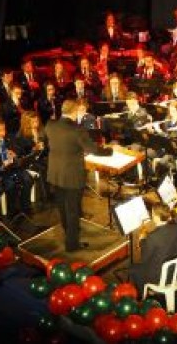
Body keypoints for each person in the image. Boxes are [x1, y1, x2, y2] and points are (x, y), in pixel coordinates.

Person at [45, 99, 113, 252]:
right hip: (72, 176)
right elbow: (92, 149)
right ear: (74, 112)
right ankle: (72, 244)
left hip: (55, 173)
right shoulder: (77, 130)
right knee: (72, 210)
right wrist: (109, 151)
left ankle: (68, 232)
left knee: (62, 207)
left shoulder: (50, 125)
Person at [0, 119, 35, 218]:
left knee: (28, 179)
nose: (3, 133)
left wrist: (15, 154)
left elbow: (20, 151)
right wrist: (1, 167)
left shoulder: (9, 138)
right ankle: (12, 211)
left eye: (4, 130)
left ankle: (25, 207)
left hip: (13, 167)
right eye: (0, 131)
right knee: (11, 185)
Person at [129, 202, 177, 292]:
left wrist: (142, 240)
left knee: (133, 268)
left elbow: (144, 259)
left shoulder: (153, 237)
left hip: (160, 277)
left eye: (152, 213)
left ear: (156, 217)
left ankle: (145, 294)